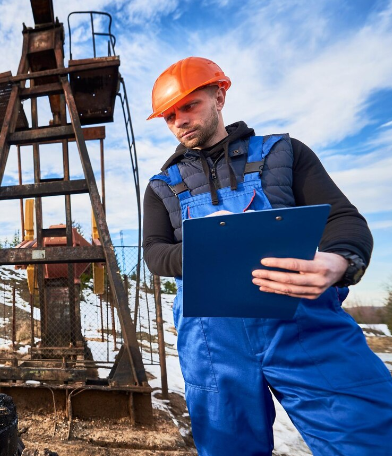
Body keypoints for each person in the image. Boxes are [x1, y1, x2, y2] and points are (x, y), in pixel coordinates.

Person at [143, 56, 392, 456]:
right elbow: (155, 253)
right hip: (213, 345)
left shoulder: (284, 154)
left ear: (219, 96)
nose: (179, 121)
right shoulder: (163, 187)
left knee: (368, 438)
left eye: (190, 106)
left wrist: (339, 261)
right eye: (170, 115)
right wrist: (212, 245)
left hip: (304, 327)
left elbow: (343, 220)